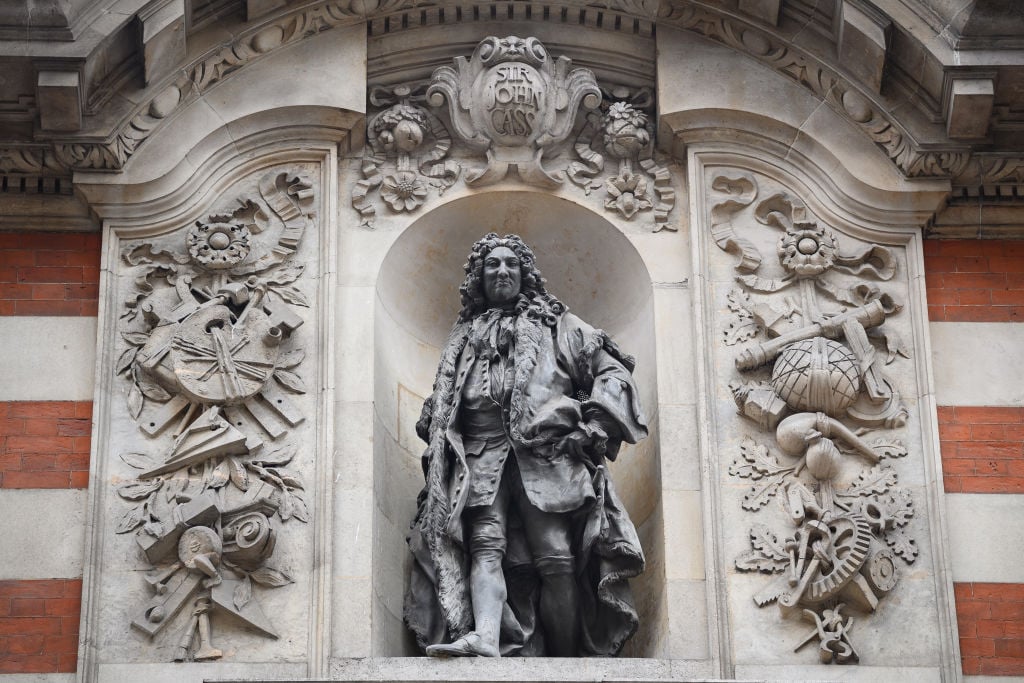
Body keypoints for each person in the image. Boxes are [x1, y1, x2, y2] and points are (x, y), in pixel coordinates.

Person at [404, 233, 648, 657]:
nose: (501, 271)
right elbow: (448, 400)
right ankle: (484, 636)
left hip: (546, 453)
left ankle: (568, 656)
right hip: (478, 454)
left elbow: (612, 373)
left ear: (525, 275)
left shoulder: (558, 323)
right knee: (485, 544)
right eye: (492, 265)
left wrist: (595, 426)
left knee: (556, 557)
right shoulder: (463, 336)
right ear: (478, 279)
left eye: (511, 265)